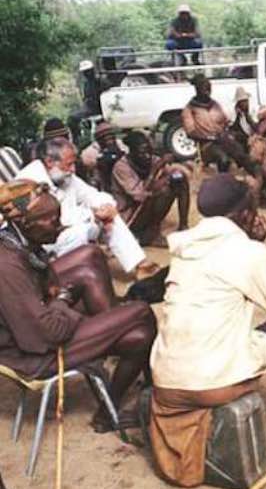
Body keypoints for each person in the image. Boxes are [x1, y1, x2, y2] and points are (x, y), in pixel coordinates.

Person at [147, 174, 266, 486]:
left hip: (165, 381)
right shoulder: (247, 251)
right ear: (246, 215)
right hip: (212, 384)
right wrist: (258, 246)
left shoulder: (183, 249)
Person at [0, 181, 157, 432]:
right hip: (31, 356)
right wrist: (62, 302)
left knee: (90, 256)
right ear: (26, 223)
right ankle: (115, 400)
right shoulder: (7, 266)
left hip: (39, 320)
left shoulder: (17, 242)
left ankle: (114, 344)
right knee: (140, 315)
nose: (60, 226)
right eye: (52, 221)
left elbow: (46, 285)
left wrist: (56, 297)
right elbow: (46, 335)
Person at [16, 137, 146, 276]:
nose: (73, 170)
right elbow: (57, 221)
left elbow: (91, 194)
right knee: (80, 232)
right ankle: (73, 275)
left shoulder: (62, 174)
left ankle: (140, 265)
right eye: (69, 164)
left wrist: (106, 207)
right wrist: (93, 215)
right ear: (49, 162)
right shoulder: (29, 182)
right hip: (44, 241)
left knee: (109, 215)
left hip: (68, 228)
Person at [111, 130, 194, 242]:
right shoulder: (121, 167)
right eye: (142, 153)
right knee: (164, 190)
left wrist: (178, 172)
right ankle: (151, 234)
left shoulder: (151, 159)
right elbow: (139, 195)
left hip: (144, 208)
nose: (147, 157)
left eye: (149, 152)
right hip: (129, 216)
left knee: (178, 179)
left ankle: (183, 225)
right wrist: (155, 170)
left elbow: (175, 173)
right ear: (131, 153)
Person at [183, 75, 258, 175]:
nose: (208, 90)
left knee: (242, 155)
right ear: (197, 89)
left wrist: (230, 132)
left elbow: (225, 122)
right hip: (207, 145)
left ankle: (259, 180)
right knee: (223, 159)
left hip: (222, 139)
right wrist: (211, 137)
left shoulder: (215, 105)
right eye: (204, 88)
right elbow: (191, 132)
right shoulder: (189, 109)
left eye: (209, 88)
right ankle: (222, 183)